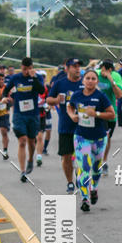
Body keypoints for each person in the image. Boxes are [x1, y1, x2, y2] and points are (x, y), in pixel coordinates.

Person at [67, 68, 116, 212]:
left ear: (97, 81)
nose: (90, 81)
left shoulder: (100, 96)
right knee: (84, 168)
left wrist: (97, 114)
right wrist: (72, 116)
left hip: (99, 137)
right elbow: (69, 107)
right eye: (87, 78)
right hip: (81, 137)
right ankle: (84, 198)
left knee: (96, 168)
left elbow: (112, 114)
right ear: (83, 80)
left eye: (93, 79)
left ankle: (93, 188)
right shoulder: (77, 95)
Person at [3, 57, 45, 181]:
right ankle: (22, 171)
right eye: (24, 69)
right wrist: (5, 97)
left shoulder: (37, 77)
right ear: (21, 67)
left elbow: (41, 90)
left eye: (29, 69)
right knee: (22, 141)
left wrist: (34, 78)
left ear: (32, 68)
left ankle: (30, 159)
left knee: (32, 141)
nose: (26, 71)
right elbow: (6, 90)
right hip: (19, 114)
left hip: (33, 114)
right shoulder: (16, 78)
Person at [47, 58, 84, 192]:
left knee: (82, 156)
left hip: (83, 127)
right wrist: (56, 100)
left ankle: (80, 177)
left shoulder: (84, 83)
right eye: (74, 66)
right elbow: (49, 99)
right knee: (67, 156)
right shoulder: (60, 83)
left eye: (79, 66)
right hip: (65, 126)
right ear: (67, 68)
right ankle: (70, 182)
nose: (78, 69)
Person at [96, 60, 122, 175]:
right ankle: (97, 161)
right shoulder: (95, 74)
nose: (103, 71)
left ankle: (104, 161)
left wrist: (111, 81)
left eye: (106, 69)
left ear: (110, 70)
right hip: (96, 112)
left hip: (110, 112)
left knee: (106, 139)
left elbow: (119, 95)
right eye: (102, 68)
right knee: (100, 137)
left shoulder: (116, 76)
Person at [35, 71, 51, 166]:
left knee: (40, 136)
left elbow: (49, 99)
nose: (42, 79)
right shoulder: (32, 87)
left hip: (42, 115)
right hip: (32, 115)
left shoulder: (46, 88)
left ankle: (39, 156)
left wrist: (47, 105)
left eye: (43, 77)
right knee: (33, 138)